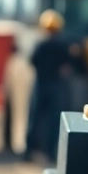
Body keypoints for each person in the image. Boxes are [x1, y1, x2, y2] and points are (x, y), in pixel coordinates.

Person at [25, 9, 80, 162]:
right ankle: (50, 153)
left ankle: (28, 152)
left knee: (34, 119)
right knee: (53, 121)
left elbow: (32, 61)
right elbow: (69, 66)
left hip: (40, 85)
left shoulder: (40, 45)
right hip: (55, 86)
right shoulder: (63, 46)